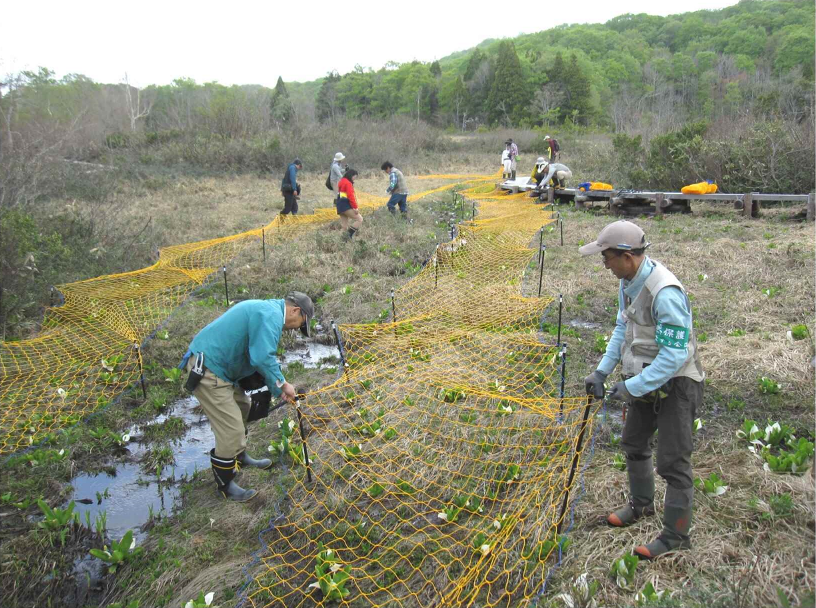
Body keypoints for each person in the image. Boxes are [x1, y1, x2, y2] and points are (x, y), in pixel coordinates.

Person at [580, 221, 704, 560]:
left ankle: (676, 537)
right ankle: (641, 505)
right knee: (633, 442)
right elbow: (623, 326)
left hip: (678, 384)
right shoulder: (627, 283)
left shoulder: (665, 292)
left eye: (606, 256)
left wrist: (630, 386)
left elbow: (675, 355)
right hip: (645, 379)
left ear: (626, 256)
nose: (603, 262)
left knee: (673, 463)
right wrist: (602, 371)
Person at [180, 292, 315, 501]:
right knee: (231, 427)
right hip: (209, 369)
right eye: (299, 324)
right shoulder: (270, 316)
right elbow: (262, 357)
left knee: (243, 406)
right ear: (296, 310)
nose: (296, 328)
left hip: (223, 370)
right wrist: (282, 386)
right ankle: (225, 483)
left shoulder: (269, 311)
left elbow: (255, 353)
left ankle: (239, 456)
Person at [336, 168, 363, 239]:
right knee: (360, 219)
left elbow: (340, 194)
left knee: (344, 226)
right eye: (355, 177)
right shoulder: (348, 183)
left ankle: (341, 241)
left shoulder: (341, 181)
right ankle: (349, 235)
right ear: (352, 175)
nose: (354, 179)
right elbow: (350, 196)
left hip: (339, 205)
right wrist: (355, 207)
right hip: (345, 205)